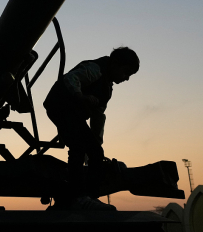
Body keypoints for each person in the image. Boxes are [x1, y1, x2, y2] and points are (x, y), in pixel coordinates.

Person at [43, 46, 140, 211]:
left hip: (73, 114)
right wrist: (80, 96)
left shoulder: (106, 90)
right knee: (78, 147)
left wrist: (96, 143)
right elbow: (71, 79)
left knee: (96, 152)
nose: (127, 78)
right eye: (126, 72)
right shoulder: (95, 69)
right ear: (115, 64)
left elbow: (98, 117)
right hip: (60, 106)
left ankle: (90, 197)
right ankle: (79, 196)